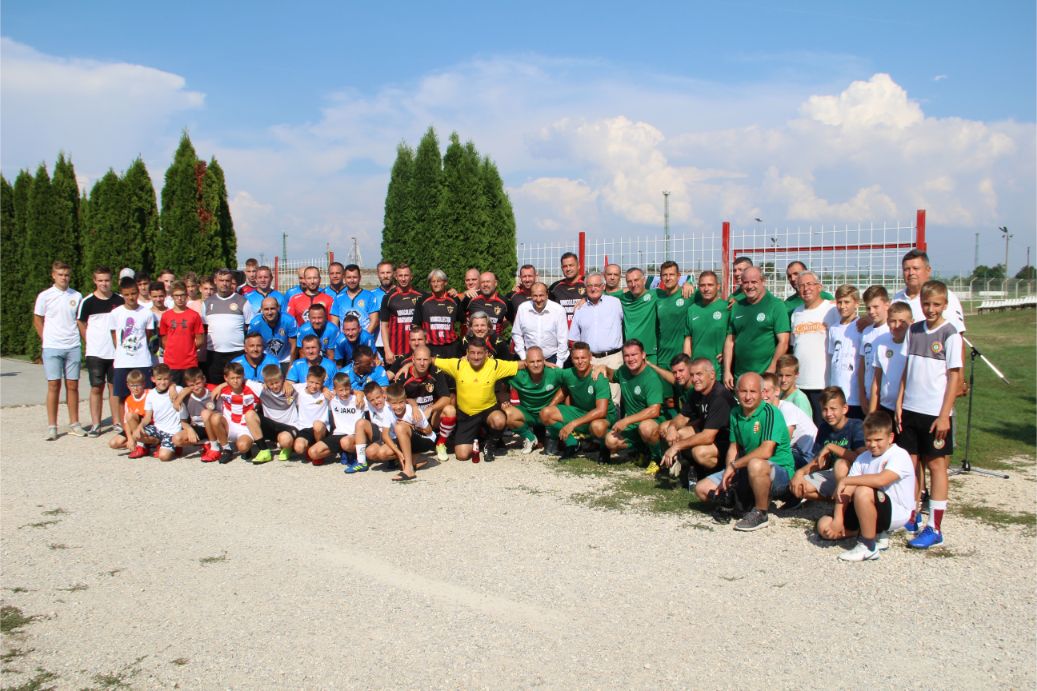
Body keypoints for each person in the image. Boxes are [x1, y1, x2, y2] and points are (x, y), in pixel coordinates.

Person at [897, 280, 963, 549]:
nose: (931, 309)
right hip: (910, 409)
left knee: (936, 466)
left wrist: (945, 415)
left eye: (936, 304)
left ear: (945, 304)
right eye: (926, 304)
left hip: (934, 413)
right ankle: (911, 515)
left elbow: (954, 376)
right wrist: (900, 401)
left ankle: (934, 527)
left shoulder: (950, 334)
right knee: (912, 465)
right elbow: (906, 368)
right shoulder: (913, 330)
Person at [694, 372, 794, 532]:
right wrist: (729, 471)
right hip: (745, 469)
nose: (748, 396)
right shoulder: (735, 413)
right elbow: (734, 447)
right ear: (736, 392)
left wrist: (734, 466)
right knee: (701, 489)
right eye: (743, 391)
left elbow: (766, 451)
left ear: (761, 393)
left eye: (753, 391)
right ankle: (737, 501)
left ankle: (761, 513)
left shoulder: (770, 413)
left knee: (756, 464)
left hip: (779, 472)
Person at [816, 412, 916, 561]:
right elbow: (847, 488)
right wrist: (838, 519)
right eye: (868, 440)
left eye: (878, 440)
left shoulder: (899, 455)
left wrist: (847, 480)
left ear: (890, 438)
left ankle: (868, 546)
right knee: (824, 526)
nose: (873, 444)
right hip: (868, 506)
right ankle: (870, 532)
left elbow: (881, 480)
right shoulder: (863, 458)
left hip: (896, 512)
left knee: (863, 490)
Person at [433, 338, 527, 463]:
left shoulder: (494, 365)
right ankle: (479, 436)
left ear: (486, 353)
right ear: (467, 353)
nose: (476, 357)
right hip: (466, 414)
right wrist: (408, 365)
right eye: (472, 353)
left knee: (499, 420)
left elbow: (521, 364)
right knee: (462, 455)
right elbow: (431, 360)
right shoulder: (458, 364)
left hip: (488, 411)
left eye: (480, 353)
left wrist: (544, 363)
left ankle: (490, 444)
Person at [659, 356, 736, 484]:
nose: (694, 379)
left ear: (712, 375)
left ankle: (716, 474)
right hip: (710, 434)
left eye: (699, 374)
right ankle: (689, 468)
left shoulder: (719, 396)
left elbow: (708, 437)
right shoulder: (696, 392)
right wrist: (672, 428)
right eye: (692, 375)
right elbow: (682, 417)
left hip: (728, 442)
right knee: (678, 434)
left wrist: (676, 447)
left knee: (699, 452)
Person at [34, 260, 86, 440]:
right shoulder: (45, 296)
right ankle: (52, 426)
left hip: (72, 345)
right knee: (53, 385)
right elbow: (37, 319)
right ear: (53, 275)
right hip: (52, 346)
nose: (64, 278)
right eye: (60, 275)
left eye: (67, 275)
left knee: (73, 385)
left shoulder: (76, 295)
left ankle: (75, 423)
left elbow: (80, 320)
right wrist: (46, 339)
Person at [539, 342, 617, 460]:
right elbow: (554, 376)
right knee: (545, 413)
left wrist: (573, 424)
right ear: (571, 359)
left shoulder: (599, 376)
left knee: (597, 426)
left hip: (603, 417)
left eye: (583, 358)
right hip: (581, 413)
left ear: (590, 357)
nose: (580, 361)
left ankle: (604, 447)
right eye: (576, 358)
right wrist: (542, 362)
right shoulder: (568, 373)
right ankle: (573, 444)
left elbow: (601, 411)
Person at [790, 387, 866, 503]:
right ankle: (838, 499)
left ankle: (842, 504)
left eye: (833, 409)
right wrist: (800, 472)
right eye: (824, 409)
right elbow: (819, 462)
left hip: (852, 475)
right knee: (799, 487)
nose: (829, 414)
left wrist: (831, 447)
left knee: (841, 464)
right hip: (831, 473)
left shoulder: (856, 425)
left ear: (844, 409)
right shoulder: (824, 428)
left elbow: (862, 459)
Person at [598, 339, 665, 466]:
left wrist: (626, 421)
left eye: (634, 355)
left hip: (653, 422)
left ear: (643, 355)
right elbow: (613, 376)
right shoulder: (624, 370)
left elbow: (654, 410)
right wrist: (603, 368)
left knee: (645, 428)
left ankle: (657, 458)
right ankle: (641, 450)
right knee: (610, 440)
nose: (630, 359)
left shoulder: (651, 377)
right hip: (633, 424)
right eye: (627, 356)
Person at [722, 267, 790, 389]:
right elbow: (730, 341)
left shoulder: (776, 305)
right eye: (746, 282)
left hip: (764, 376)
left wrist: (772, 368)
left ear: (763, 281)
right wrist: (727, 371)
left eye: (754, 282)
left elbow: (783, 342)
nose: (749, 286)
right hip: (740, 377)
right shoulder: (737, 306)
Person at [77, 265, 124, 437]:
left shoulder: (120, 300)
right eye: (100, 280)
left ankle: (117, 422)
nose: (104, 283)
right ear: (95, 281)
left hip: (115, 352)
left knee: (114, 387)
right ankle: (96, 424)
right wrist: (89, 341)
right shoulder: (87, 301)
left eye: (107, 280)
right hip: (95, 352)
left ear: (112, 281)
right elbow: (81, 322)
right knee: (96, 387)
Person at [789, 270, 838, 425]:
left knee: (821, 427)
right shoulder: (796, 313)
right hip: (800, 383)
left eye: (810, 284)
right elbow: (794, 345)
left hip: (822, 383)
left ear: (819, 287)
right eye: (801, 286)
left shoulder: (831, 310)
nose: (806, 289)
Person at [568, 272, 624, 403]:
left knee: (613, 399)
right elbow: (574, 339)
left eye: (597, 285)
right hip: (590, 360)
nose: (593, 289)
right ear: (585, 288)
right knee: (591, 398)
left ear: (603, 286)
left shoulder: (616, 303)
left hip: (612, 358)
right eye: (589, 286)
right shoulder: (580, 308)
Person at [110, 276, 156, 429]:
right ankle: (126, 429)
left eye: (133, 293)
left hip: (142, 360)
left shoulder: (146, 313)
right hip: (123, 361)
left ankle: (145, 427)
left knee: (145, 395)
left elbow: (148, 335)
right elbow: (114, 336)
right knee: (122, 395)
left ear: (138, 292)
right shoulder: (116, 313)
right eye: (127, 294)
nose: (131, 297)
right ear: (122, 294)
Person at [504, 347, 563, 454]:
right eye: (532, 362)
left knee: (563, 410)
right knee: (508, 413)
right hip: (529, 414)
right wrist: (504, 399)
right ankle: (530, 438)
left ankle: (557, 439)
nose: (536, 365)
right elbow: (496, 375)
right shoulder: (518, 375)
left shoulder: (555, 372)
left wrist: (596, 367)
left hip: (549, 414)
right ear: (525, 363)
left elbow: (574, 377)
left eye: (539, 361)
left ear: (544, 361)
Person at [203, 268, 255, 385]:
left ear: (231, 281)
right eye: (221, 280)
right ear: (215, 281)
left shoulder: (243, 301)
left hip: (236, 353)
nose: (224, 283)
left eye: (227, 280)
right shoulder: (207, 303)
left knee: (237, 386)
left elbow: (250, 328)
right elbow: (204, 330)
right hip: (214, 354)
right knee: (215, 386)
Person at [893, 249, 965, 332]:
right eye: (906, 269)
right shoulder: (897, 298)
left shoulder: (945, 296)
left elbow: (957, 334)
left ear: (928, 270)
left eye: (915, 268)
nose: (911, 273)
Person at [210, 361, 268, 464]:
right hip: (229, 425)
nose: (236, 381)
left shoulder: (252, 387)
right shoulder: (222, 390)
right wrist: (220, 386)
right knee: (215, 418)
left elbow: (268, 386)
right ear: (226, 378)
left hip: (245, 427)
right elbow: (209, 395)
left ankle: (246, 448)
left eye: (238, 377)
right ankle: (226, 449)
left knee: (243, 447)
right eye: (232, 378)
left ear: (243, 376)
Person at [306, 372, 365, 468]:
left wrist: (360, 394)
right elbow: (318, 387)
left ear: (350, 388)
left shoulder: (357, 399)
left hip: (355, 434)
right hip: (338, 433)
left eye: (347, 389)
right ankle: (343, 451)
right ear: (335, 390)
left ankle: (356, 453)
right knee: (313, 452)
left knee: (345, 442)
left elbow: (369, 397)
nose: (344, 393)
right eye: (341, 390)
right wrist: (324, 389)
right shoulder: (332, 399)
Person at [761, 373, 817, 471]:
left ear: (777, 391)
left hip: (806, 458)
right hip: (791, 452)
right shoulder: (766, 412)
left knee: (762, 460)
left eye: (766, 391)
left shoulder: (786, 409)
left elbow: (785, 442)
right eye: (760, 391)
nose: (763, 395)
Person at [869, 301, 912, 422]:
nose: (897, 325)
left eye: (902, 321)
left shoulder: (915, 345)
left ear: (911, 322)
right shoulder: (882, 344)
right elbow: (876, 381)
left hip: (907, 408)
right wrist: (871, 414)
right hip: (886, 407)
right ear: (887, 322)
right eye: (893, 321)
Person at [385, 382, 436, 481]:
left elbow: (429, 431)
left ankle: (409, 469)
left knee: (400, 427)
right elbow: (384, 435)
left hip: (425, 439)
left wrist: (412, 426)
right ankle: (415, 459)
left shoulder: (412, 411)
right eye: (394, 403)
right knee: (382, 452)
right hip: (406, 439)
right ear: (388, 402)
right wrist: (398, 453)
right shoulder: (387, 410)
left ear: (405, 400)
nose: (398, 406)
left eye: (401, 402)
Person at [826, 285, 864, 418]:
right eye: (839, 302)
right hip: (837, 394)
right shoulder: (833, 329)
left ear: (856, 304)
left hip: (854, 396)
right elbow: (833, 359)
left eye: (847, 302)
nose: (842, 306)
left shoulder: (862, 327)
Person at [171, 367, 224, 462]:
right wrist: (189, 429)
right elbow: (182, 421)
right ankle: (206, 443)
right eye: (191, 385)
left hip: (215, 426)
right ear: (187, 385)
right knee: (177, 439)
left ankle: (215, 447)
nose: (195, 387)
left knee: (205, 413)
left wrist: (221, 386)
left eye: (198, 383)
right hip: (199, 427)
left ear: (204, 379)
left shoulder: (213, 391)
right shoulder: (186, 397)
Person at [683, 270, 728, 379]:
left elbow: (735, 337)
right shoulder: (692, 310)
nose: (706, 289)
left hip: (718, 370)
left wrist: (728, 353)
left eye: (710, 285)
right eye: (702, 285)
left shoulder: (727, 308)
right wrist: (687, 364)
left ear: (718, 287)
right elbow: (688, 339)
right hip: (696, 371)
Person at [511, 282, 569, 365]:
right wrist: (523, 357)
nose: (538, 299)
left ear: (547, 295)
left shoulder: (558, 310)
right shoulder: (523, 309)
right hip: (530, 359)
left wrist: (559, 363)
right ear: (531, 296)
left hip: (553, 358)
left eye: (541, 295)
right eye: (535, 296)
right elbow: (516, 334)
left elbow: (563, 339)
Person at [159, 281, 205, 385]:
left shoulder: (194, 315)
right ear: (172, 296)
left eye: (182, 295)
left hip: (189, 363)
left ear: (186, 295)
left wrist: (188, 349)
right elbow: (164, 340)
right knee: (173, 391)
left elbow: (200, 340)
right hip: (171, 363)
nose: (179, 298)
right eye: (176, 295)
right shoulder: (166, 316)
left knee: (190, 390)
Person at [380, 264, 425, 365]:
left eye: (406, 275)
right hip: (396, 350)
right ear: (396, 277)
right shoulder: (388, 297)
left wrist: (453, 293)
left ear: (411, 276)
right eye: (400, 276)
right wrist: (387, 350)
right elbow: (384, 325)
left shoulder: (422, 296)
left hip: (418, 350)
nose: (403, 279)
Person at [139, 364, 185, 462]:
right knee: (137, 435)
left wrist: (172, 386)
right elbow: (147, 417)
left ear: (170, 378)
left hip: (172, 431)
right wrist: (140, 426)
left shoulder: (177, 389)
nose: (163, 382)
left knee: (163, 457)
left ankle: (172, 446)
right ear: (153, 379)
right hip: (158, 428)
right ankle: (158, 442)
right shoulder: (151, 394)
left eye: (166, 379)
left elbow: (188, 389)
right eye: (159, 379)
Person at [857, 285, 891, 413]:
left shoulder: (892, 330)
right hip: (868, 395)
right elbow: (862, 366)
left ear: (887, 305)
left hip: (886, 399)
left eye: (876, 307)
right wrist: (862, 395)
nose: (871, 311)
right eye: (868, 308)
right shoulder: (866, 332)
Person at [654, 261, 692, 367]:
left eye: (671, 274)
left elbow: (713, 298)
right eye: (664, 275)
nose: (668, 278)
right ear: (661, 277)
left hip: (682, 356)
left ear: (678, 276)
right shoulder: (658, 297)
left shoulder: (689, 293)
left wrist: (733, 299)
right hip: (662, 356)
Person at [417, 269, 462, 358]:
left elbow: (463, 320)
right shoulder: (423, 300)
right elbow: (416, 324)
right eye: (433, 281)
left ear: (445, 282)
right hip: (430, 347)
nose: (435, 284)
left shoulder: (454, 299)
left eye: (438, 281)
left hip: (451, 347)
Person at [618, 267, 659, 363]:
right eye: (629, 281)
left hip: (650, 352)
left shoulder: (656, 294)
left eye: (636, 280)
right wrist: (584, 298)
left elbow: (674, 292)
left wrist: (687, 285)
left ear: (644, 280)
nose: (633, 284)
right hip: (630, 353)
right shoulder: (622, 297)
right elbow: (603, 294)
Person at [107, 369, 152, 457]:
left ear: (143, 384)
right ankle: (137, 444)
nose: (135, 388)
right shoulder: (128, 400)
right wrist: (130, 438)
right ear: (128, 386)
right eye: (132, 385)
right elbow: (126, 422)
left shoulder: (150, 393)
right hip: (133, 425)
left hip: (147, 424)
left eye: (138, 385)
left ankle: (143, 444)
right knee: (113, 443)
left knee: (130, 415)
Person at [292, 366, 330, 464]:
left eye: (317, 383)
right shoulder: (299, 389)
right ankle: (310, 449)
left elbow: (344, 391)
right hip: (304, 428)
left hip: (321, 429)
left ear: (323, 383)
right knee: (299, 448)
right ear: (306, 379)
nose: (314, 386)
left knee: (317, 425)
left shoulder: (326, 393)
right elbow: (285, 384)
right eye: (311, 382)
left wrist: (359, 394)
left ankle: (319, 452)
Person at [248, 296, 298, 368]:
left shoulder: (289, 320)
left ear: (278, 308)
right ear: (261, 309)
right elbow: (251, 345)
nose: (269, 312)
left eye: (272, 308)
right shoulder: (255, 323)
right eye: (266, 309)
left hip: (286, 359)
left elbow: (294, 345)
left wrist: (291, 366)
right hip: (265, 360)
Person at [330, 264, 379, 338]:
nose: (352, 280)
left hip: (364, 342)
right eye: (349, 277)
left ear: (360, 278)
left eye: (355, 277)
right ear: (344, 278)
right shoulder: (338, 298)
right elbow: (334, 324)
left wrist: (364, 338)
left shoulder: (370, 296)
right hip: (345, 341)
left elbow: (375, 321)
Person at [463, 271, 509, 338]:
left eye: (488, 282)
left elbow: (512, 320)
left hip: (494, 342)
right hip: (474, 342)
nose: (485, 284)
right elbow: (458, 315)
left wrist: (499, 328)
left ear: (495, 283)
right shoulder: (471, 298)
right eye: (482, 282)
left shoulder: (504, 302)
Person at [548, 252, 585, 327]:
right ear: (562, 268)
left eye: (571, 265)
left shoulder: (588, 284)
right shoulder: (555, 287)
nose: (568, 269)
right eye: (565, 266)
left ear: (578, 266)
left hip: (583, 332)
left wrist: (586, 299)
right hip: (562, 331)